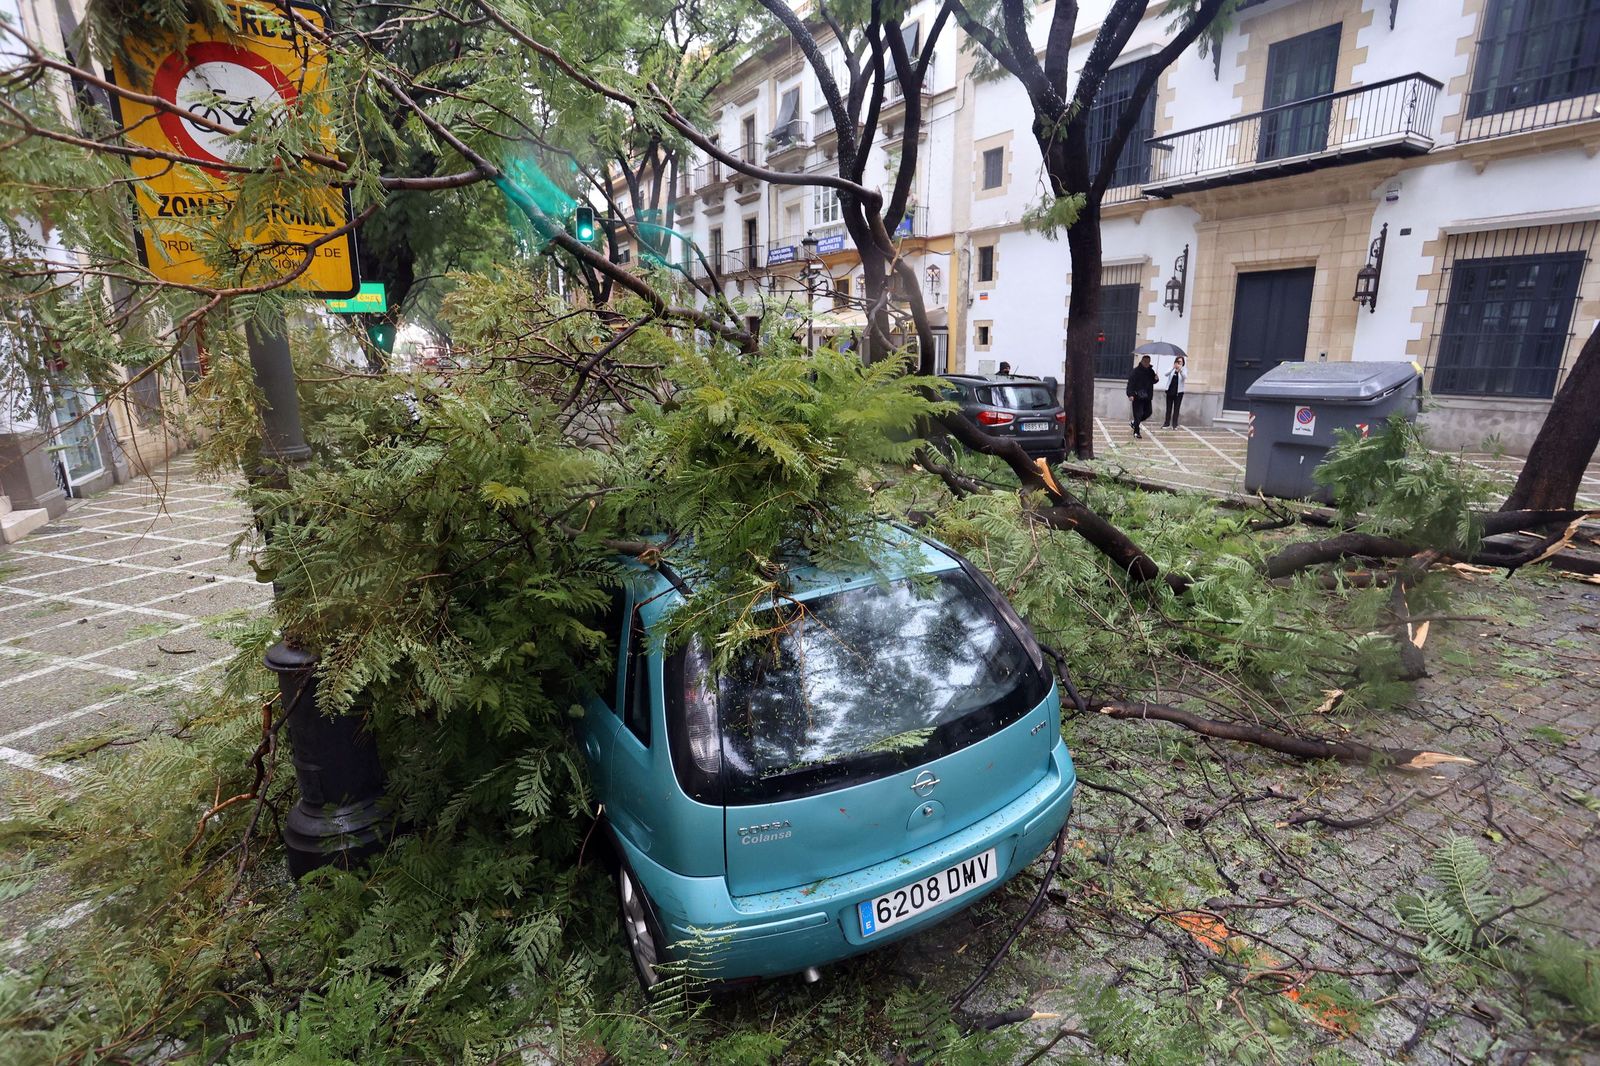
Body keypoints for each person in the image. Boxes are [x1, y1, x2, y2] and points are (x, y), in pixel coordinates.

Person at [1126, 355, 1157, 438]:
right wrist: (1130, 394)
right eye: (1145, 361)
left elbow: (1153, 381)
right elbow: (1130, 384)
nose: (1147, 363)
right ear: (1142, 361)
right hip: (1137, 396)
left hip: (1147, 396)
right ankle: (1136, 432)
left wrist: (1156, 379)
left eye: (1148, 362)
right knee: (1138, 414)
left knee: (1148, 412)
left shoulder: (1151, 371)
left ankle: (1134, 423)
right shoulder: (1135, 371)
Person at [1160, 355, 1187, 429]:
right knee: (1168, 408)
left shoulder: (1184, 369)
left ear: (1183, 363)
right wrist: (1173, 368)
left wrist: (1180, 370)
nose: (1179, 363)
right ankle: (1166, 423)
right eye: (1177, 361)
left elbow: (1185, 377)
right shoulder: (1172, 368)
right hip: (1170, 391)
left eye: (1180, 361)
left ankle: (1175, 424)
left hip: (1179, 392)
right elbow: (1166, 374)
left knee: (1176, 409)